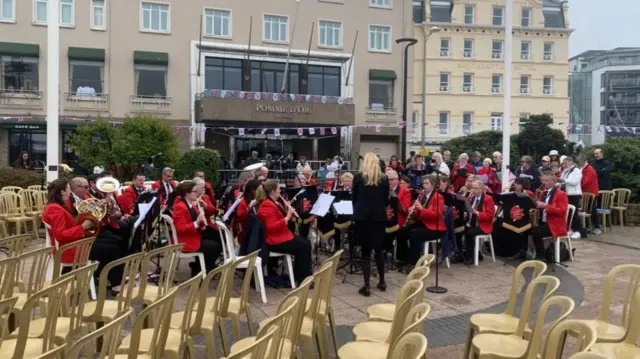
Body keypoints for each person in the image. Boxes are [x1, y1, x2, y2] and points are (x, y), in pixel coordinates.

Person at [42, 179, 123, 293]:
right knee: (111, 249)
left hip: (71, 244)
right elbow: (61, 235)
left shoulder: (55, 206)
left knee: (112, 244)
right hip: (66, 249)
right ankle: (115, 283)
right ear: (62, 192)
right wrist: (83, 226)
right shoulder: (55, 209)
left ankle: (104, 277)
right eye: (68, 190)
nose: (70, 193)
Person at [256, 179, 312, 284]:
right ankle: (302, 278)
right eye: (278, 189)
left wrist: (286, 209)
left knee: (305, 243)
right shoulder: (267, 205)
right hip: (274, 240)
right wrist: (287, 217)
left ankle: (301, 274)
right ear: (272, 191)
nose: (280, 191)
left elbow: (277, 217)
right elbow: (270, 227)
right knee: (304, 246)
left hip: (281, 235)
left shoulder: (274, 202)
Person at [352, 153, 389, 296]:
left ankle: (366, 286)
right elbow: (386, 201)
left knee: (365, 252)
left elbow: (354, 199)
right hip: (379, 218)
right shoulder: (384, 179)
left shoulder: (358, 178)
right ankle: (382, 282)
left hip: (362, 218)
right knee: (379, 251)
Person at [172, 181, 223, 277]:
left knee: (219, 237)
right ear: (187, 193)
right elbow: (181, 228)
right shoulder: (180, 207)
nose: (197, 193)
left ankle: (204, 266)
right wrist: (197, 222)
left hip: (193, 234)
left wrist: (201, 216)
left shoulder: (190, 204)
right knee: (214, 246)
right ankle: (199, 270)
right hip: (185, 239)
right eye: (194, 191)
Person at [532, 172, 568, 259]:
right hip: (543, 221)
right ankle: (524, 251)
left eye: (546, 180)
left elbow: (562, 211)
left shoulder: (561, 194)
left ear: (553, 181)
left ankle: (541, 256)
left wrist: (545, 206)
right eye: (542, 180)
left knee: (536, 232)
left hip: (555, 224)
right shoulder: (542, 193)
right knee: (525, 228)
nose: (543, 182)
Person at [463, 180, 495, 264]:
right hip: (471, 222)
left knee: (469, 232)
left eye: (476, 188)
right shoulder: (471, 197)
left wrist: (477, 213)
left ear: (481, 189)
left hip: (483, 224)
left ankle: (472, 257)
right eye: (472, 187)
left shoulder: (488, 199)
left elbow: (489, 216)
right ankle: (465, 254)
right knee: (460, 230)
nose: (473, 190)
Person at [558, 157, 582, 239]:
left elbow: (575, 182)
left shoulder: (576, 170)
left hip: (574, 194)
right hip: (566, 194)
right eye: (563, 163)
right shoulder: (564, 171)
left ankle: (577, 231)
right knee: (567, 213)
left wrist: (564, 180)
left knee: (574, 213)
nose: (564, 165)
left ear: (571, 162)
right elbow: (561, 183)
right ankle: (570, 229)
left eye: (565, 163)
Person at [578, 154, 601, 234]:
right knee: (586, 209)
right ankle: (588, 226)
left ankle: (597, 227)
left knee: (592, 210)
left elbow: (585, 182)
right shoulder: (583, 168)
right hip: (586, 193)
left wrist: (577, 184)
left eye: (580, 161)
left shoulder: (589, 169)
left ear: (584, 161)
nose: (579, 163)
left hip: (591, 193)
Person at [235, 179, 262, 245]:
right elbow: (240, 217)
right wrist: (249, 207)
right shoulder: (243, 202)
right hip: (246, 235)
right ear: (253, 190)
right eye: (259, 190)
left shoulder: (259, 200)